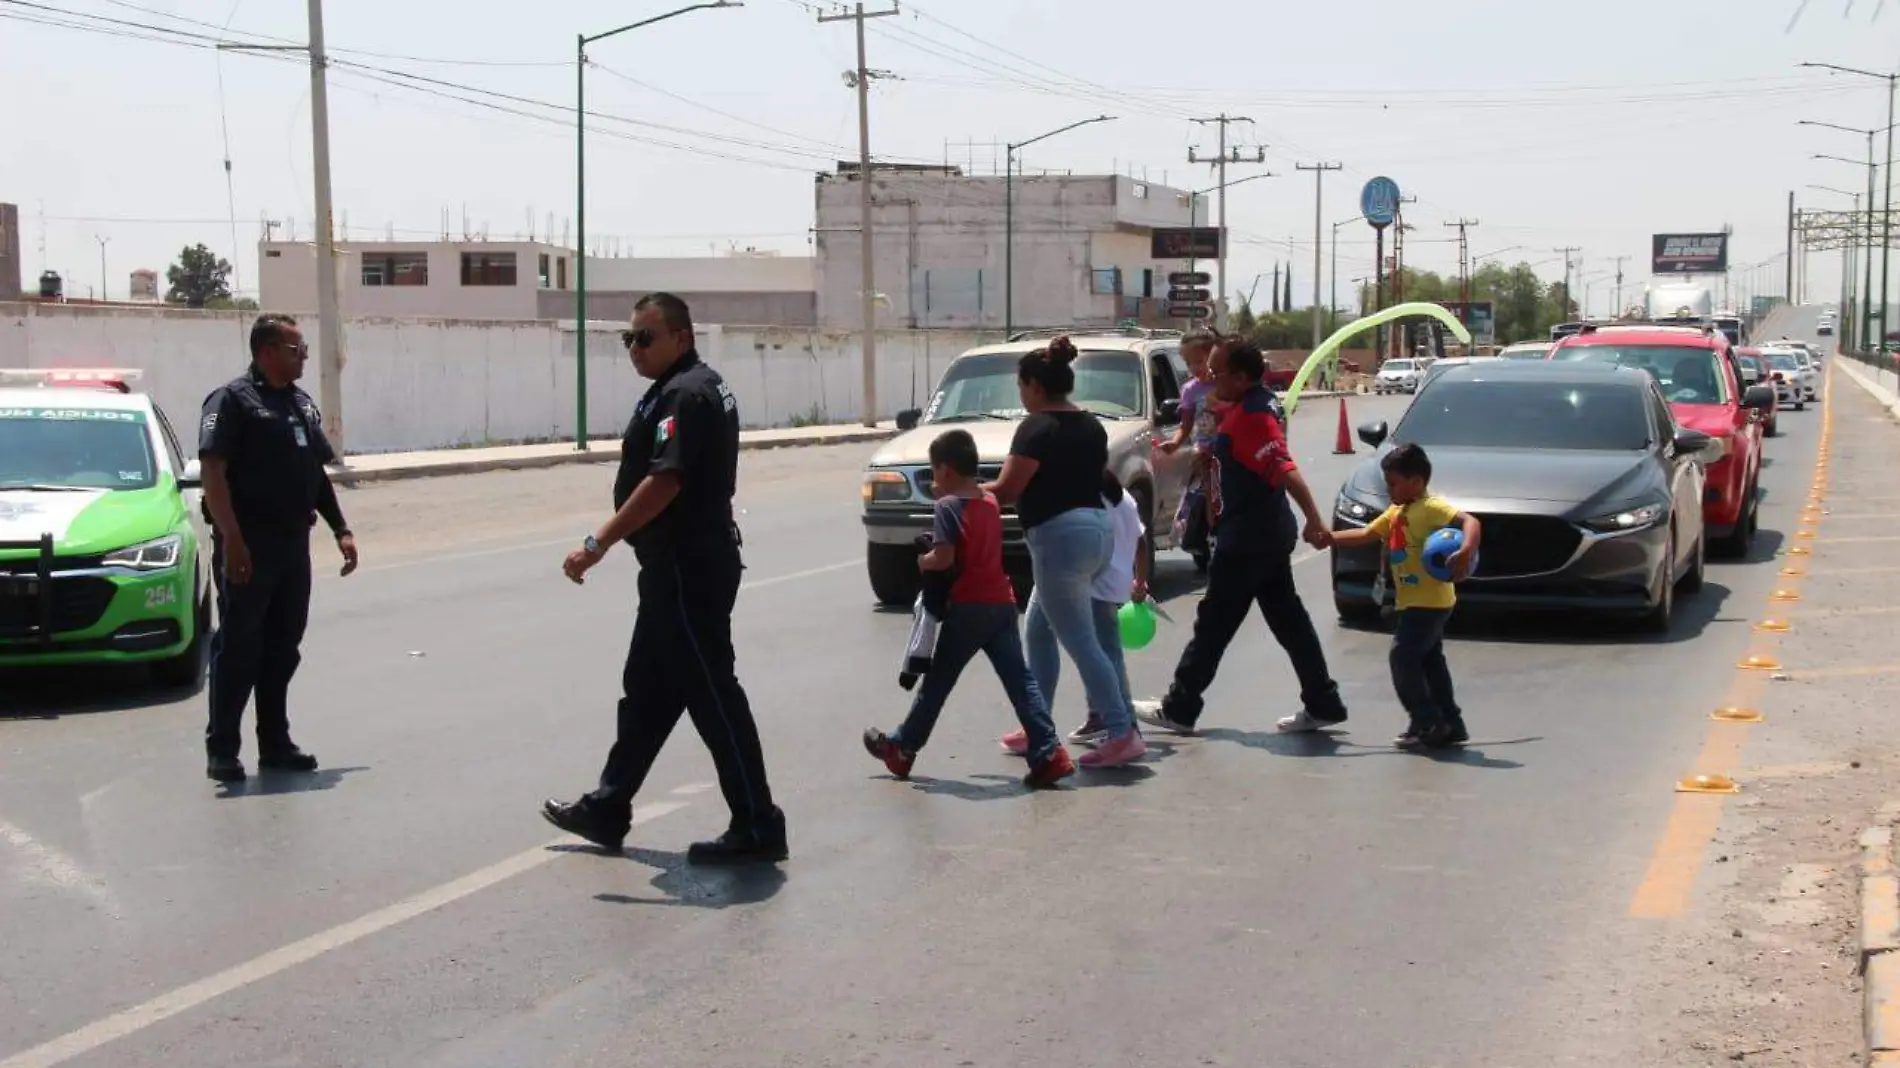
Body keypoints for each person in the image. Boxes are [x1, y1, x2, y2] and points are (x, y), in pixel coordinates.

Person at [541, 293, 786, 865]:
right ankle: (608, 805)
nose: (634, 349)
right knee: (648, 690)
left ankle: (758, 822)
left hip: (686, 568)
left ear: (681, 337)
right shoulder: (684, 386)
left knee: (711, 692)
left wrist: (598, 543)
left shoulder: (685, 393)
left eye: (644, 338)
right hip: (677, 567)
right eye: (628, 339)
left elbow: (665, 481)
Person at [1133, 338, 1348, 736]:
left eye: (1218, 373)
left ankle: (1179, 707)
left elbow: (1284, 469)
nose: (1210, 379)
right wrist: (1213, 453)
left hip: (1249, 539)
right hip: (1263, 534)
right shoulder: (1252, 405)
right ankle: (1323, 701)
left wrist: (1315, 522)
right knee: (1290, 623)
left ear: (1243, 376)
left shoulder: (1254, 416)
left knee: (1213, 625)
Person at [197, 313, 359, 784]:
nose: (305, 356)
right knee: (238, 647)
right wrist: (232, 539)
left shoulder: (300, 403)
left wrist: (340, 528)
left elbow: (315, 474)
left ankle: (276, 743)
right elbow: (213, 475)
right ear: (266, 351)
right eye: (296, 349)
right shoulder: (231, 401)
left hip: (292, 546)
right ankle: (223, 750)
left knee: (282, 648)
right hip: (249, 544)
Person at [863, 430, 1074, 786]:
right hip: (1001, 605)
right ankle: (1049, 751)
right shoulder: (989, 503)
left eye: (933, 470)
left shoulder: (947, 507)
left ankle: (902, 748)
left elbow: (944, 557)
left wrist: (923, 561)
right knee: (1020, 682)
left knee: (937, 684)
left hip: (967, 608)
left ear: (944, 470)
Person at [987, 336, 1145, 769]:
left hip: (1060, 542)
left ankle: (1122, 731)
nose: (1020, 394)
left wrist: (960, 494)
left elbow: (1007, 490)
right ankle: (1038, 724)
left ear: (1035, 385)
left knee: (1081, 642)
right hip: (1094, 534)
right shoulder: (1091, 425)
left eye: (1021, 385)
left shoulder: (1036, 428)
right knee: (1039, 631)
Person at [1322, 444, 1481, 747]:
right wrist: (1328, 538)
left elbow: (1471, 522)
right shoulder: (1397, 511)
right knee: (1430, 663)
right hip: (1413, 602)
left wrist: (1466, 550)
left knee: (1403, 659)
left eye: (1393, 483)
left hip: (1429, 603)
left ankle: (1427, 722)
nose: (1389, 489)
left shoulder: (1431, 507)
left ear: (1417, 482)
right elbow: (1367, 533)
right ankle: (1450, 722)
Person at [1019, 468, 1148, 746]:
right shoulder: (1125, 499)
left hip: (1096, 584)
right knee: (1101, 652)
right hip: (1114, 584)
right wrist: (1140, 580)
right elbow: (1142, 543)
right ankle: (1102, 718)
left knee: (1099, 653)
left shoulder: (1092, 503)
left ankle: (1125, 727)